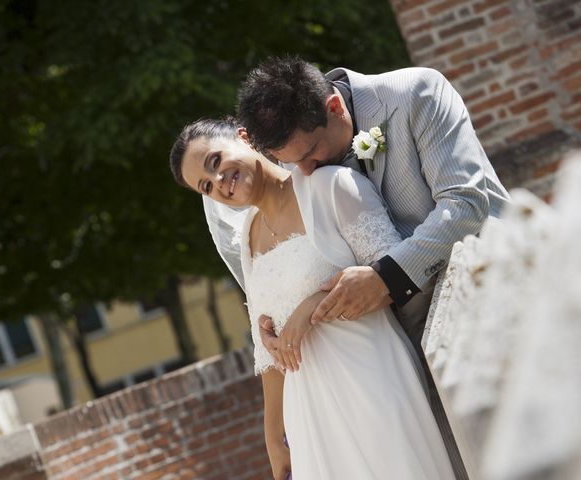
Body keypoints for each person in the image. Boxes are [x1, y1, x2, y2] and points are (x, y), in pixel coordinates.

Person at [203, 56, 511, 479]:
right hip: (400, 358)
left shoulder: (416, 93)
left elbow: (464, 204)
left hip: (489, 317)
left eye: (310, 154)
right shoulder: (302, 177)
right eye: (293, 163)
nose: (305, 172)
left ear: (334, 108)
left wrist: (387, 277)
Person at [170, 117, 457, 479]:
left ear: (244, 137)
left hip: (371, 375)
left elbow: (395, 276)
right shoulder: (247, 238)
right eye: (206, 186)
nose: (219, 183)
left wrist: (312, 309)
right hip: (307, 408)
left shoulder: (330, 186)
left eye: (215, 162)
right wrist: (273, 434)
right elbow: (268, 353)